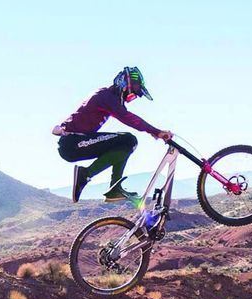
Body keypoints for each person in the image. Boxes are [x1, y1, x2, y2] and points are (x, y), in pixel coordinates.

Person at [52, 66, 173, 203]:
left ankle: (114, 188)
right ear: (124, 83)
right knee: (128, 140)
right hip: (73, 143)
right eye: (132, 93)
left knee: (125, 144)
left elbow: (127, 116)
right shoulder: (106, 97)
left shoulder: (109, 98)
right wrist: (156, 131)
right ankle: (85, 175)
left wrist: (152, 131)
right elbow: (128, 118)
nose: (130, 98)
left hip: (76, 143)